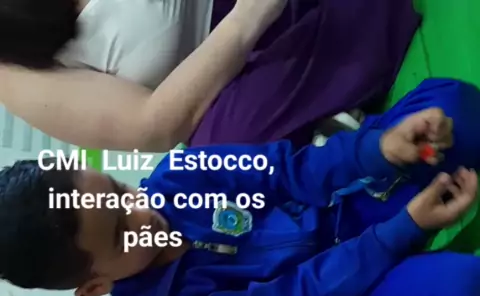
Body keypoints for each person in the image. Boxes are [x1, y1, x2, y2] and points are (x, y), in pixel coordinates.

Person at [1, 78, 480, 296]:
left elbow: (291, 172)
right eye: (123, 232)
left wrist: (378, 151)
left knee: (451, 109)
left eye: (121, 192)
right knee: (461, 288)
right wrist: (403, 230)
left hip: (346, 213)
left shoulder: (181, 172)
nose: (142, 212)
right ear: (95, 286)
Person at [0, 0, 420, 151]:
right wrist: (248, 16)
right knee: (226, 150)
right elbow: (151, 128)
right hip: (230, 83)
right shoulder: (13, 64)